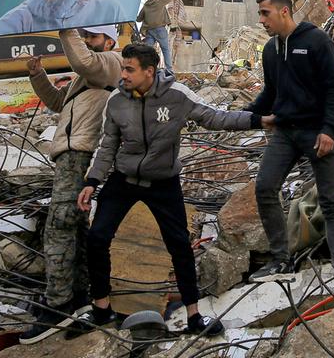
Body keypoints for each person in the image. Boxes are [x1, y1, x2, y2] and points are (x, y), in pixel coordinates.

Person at [78, 43, 261, 336]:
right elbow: (107, 145)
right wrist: (92, 182)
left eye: (129, 69)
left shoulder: (176, 95)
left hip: (163, 182)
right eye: (123, 67)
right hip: (123, 180)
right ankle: (101, 309)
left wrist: (258, 121)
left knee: (179, 245)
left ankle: (193, 316)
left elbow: (215, 117)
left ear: (149, 71)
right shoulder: (116, 100)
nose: (122, 74)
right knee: (97, 238)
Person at [244, 0, 334, 322]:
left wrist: (330, 130)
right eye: (260, 14)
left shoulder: (316, 41)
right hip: (285, 132)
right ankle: (281, 260)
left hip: (317, 132)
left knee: (331, 203)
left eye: (265, 13)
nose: (262, 20)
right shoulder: (271, 50)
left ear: (284, 12)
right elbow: (271, 93)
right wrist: (244, 115)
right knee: (265, 187)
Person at [19, 26, 123, 344]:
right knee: (75, 229)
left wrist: (67, 27)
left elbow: (84, 61)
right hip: (69, 157)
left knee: (59, 227)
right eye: (85, 35)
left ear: (109, 41)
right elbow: (57, 101)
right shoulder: (86, 77)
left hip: (82, 155)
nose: (88, 40)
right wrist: (38, 75)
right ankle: (79, 296)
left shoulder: (110, 62)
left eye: (92, 36)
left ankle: (57, 304)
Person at [136, 0, 180, 71]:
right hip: (160, 30)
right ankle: (169, 69)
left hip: (149, 31)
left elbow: (138, 19)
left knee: (146, 51)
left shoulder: (146, 6)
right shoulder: (159, 1)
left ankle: (144, 68)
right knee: (165, 50)